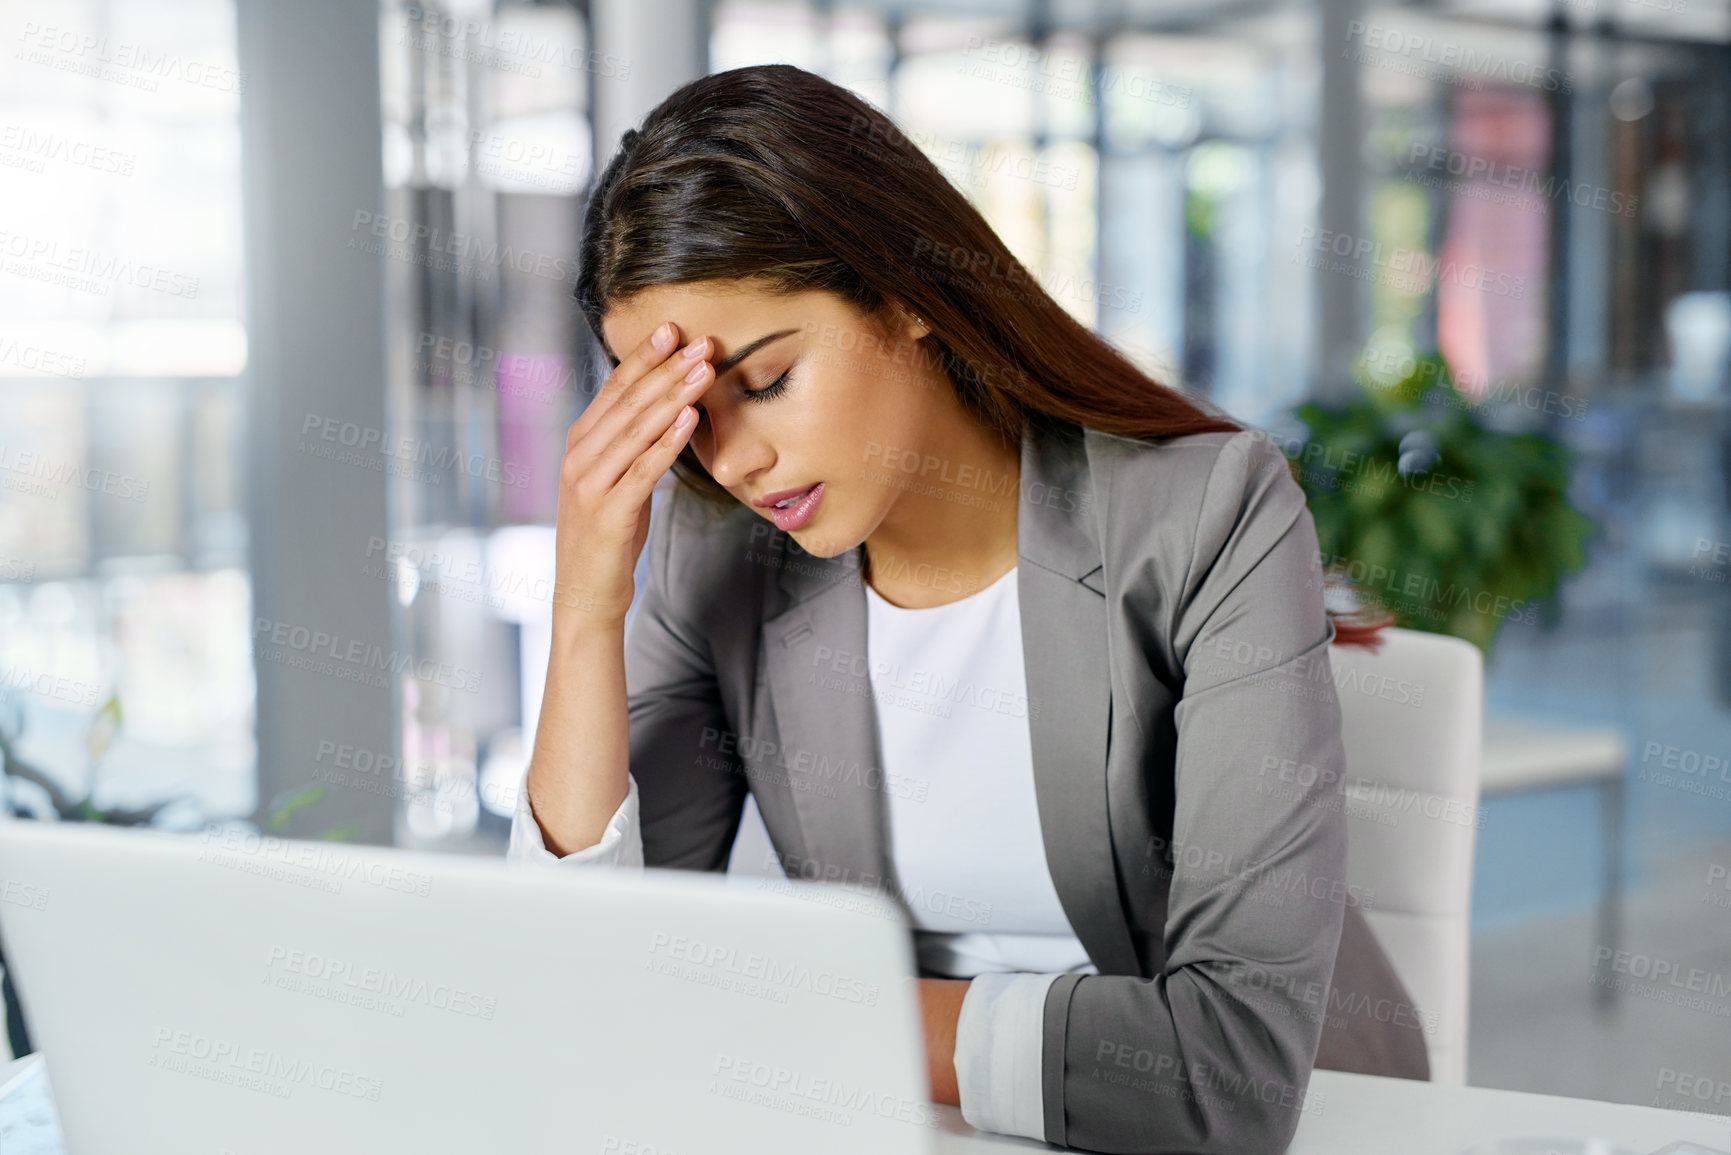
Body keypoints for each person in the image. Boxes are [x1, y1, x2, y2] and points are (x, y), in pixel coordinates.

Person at [508, 62, 1429, 1154]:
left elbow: (1226, 1069)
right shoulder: (724, 553)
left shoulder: (1206, 511)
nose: (738, 460)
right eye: (687, 418)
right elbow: (590, 974)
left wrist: (799, 1009)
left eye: (765, 382)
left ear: (905, 293)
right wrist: (584, 610)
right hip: (911, 1118)